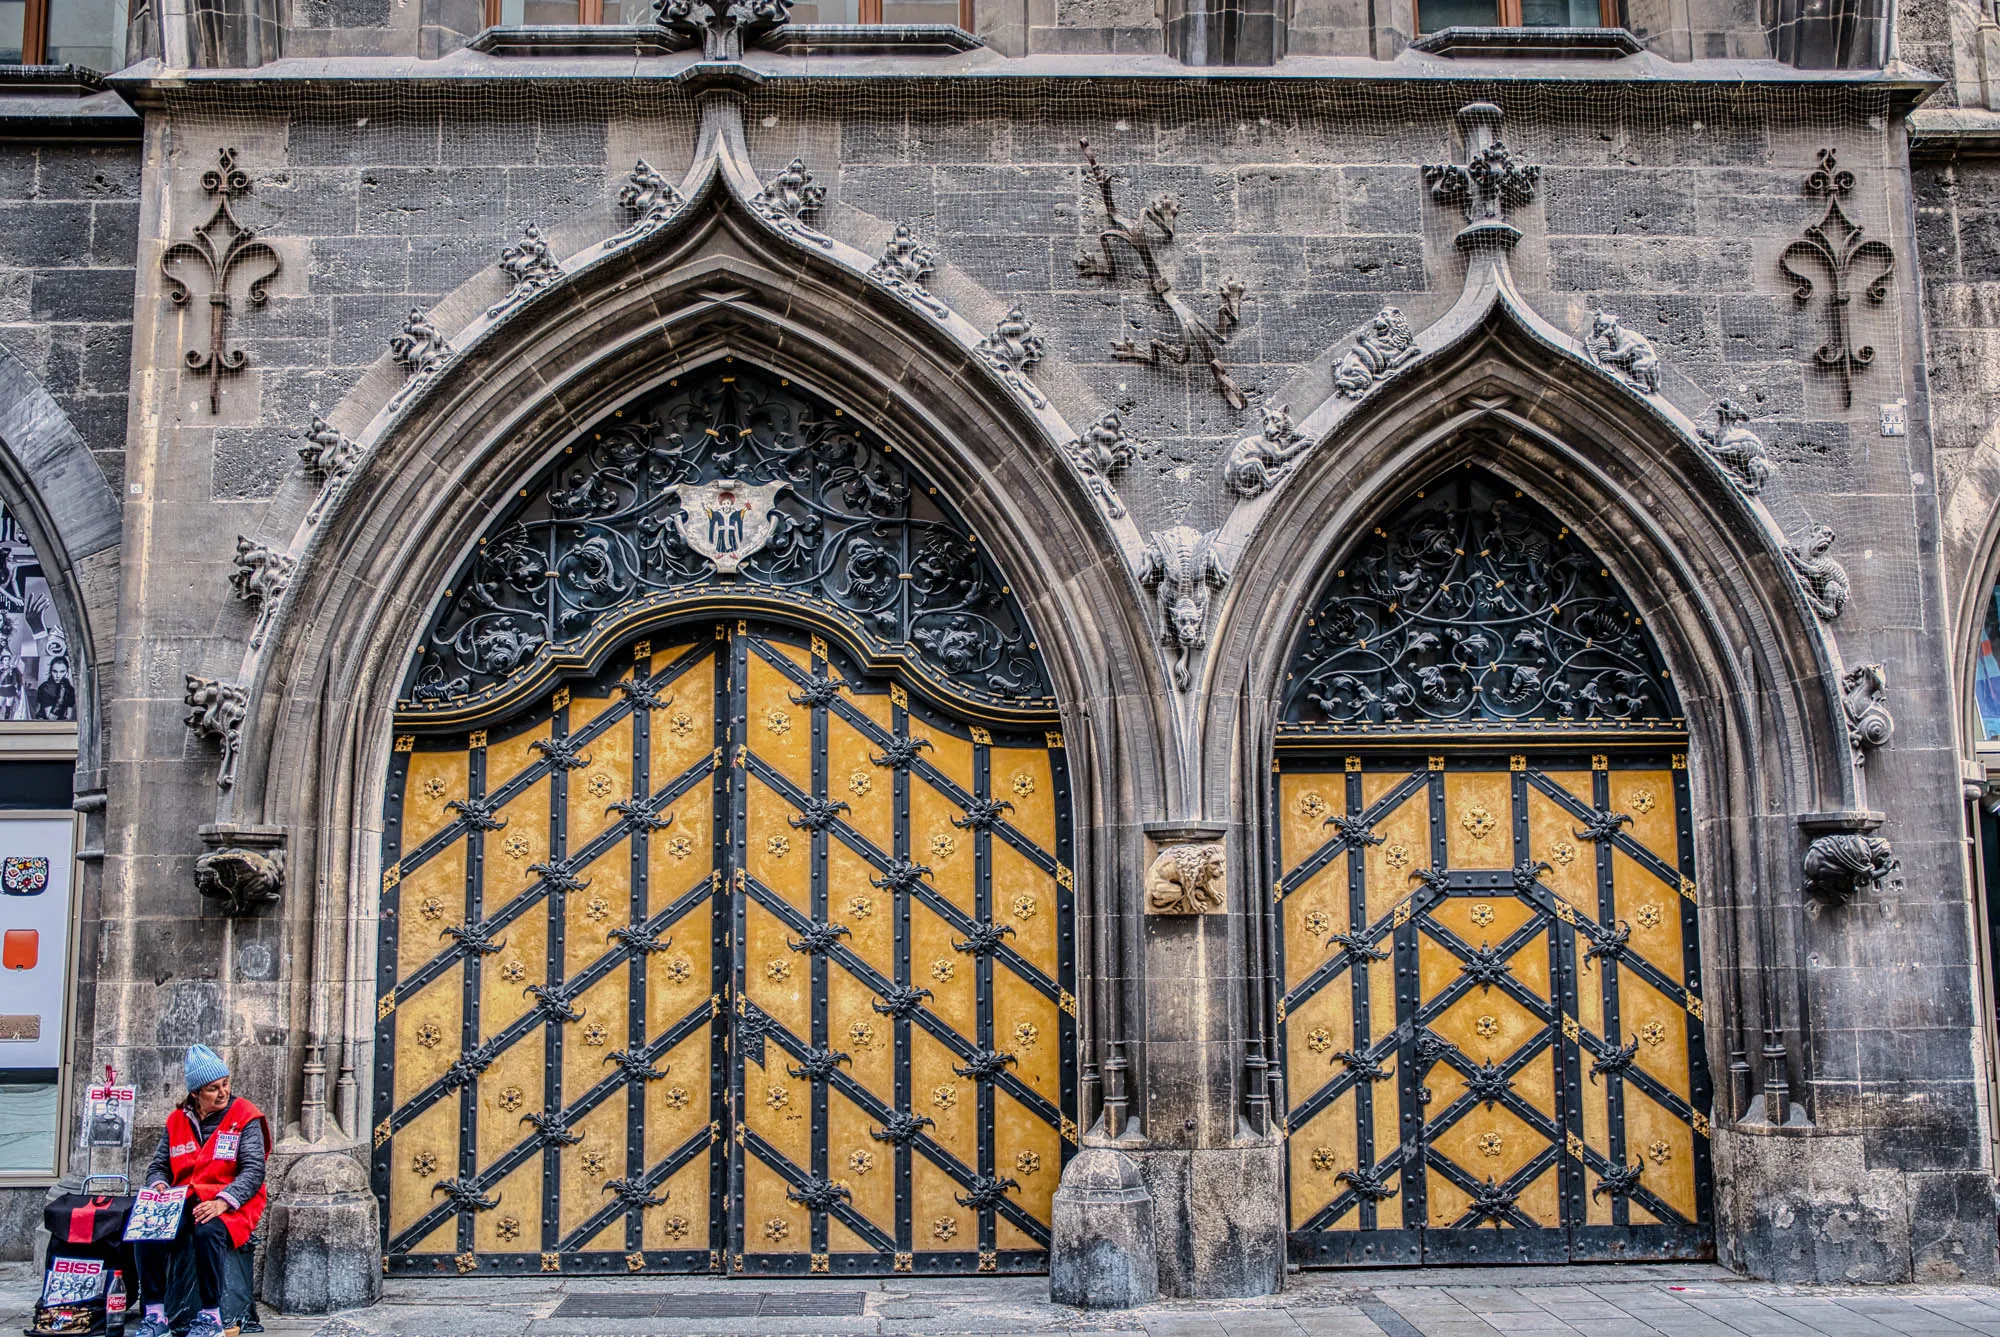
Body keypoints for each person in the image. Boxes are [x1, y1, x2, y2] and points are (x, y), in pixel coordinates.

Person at [132, 1046, 270, 1337]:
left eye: (226, 1084)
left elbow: (254, 1171)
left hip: (232, 1202)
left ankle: (212, 1315)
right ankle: (155, 1313)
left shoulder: (245, 1116)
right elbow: (159, 1166)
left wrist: (223, 1202)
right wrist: (158, 1185)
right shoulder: (176, 1121)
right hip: (186, 1198)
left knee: (208, 1231)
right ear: (195, 1093)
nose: (223, 1093)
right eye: (213, 1088)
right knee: (148, 1227)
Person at [33, 656, 74, 721]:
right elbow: (51, 718)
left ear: (67, 672)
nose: (58, 676)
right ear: (50, 672)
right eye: (55, 671)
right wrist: (62, 693)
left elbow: (69, 716)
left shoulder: (69, 689)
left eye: (62, 672)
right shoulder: (45, 687)